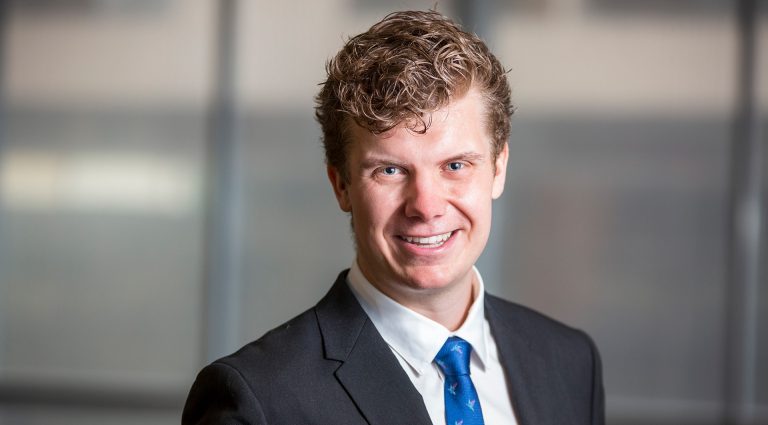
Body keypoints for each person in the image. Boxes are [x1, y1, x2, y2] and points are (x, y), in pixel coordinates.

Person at [182, 10, 604, 425]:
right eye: (390, 170)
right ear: (341, 184)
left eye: (456, 165)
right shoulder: (258, 401)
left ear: (498, 169)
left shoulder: (569, 364)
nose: (426, 205)